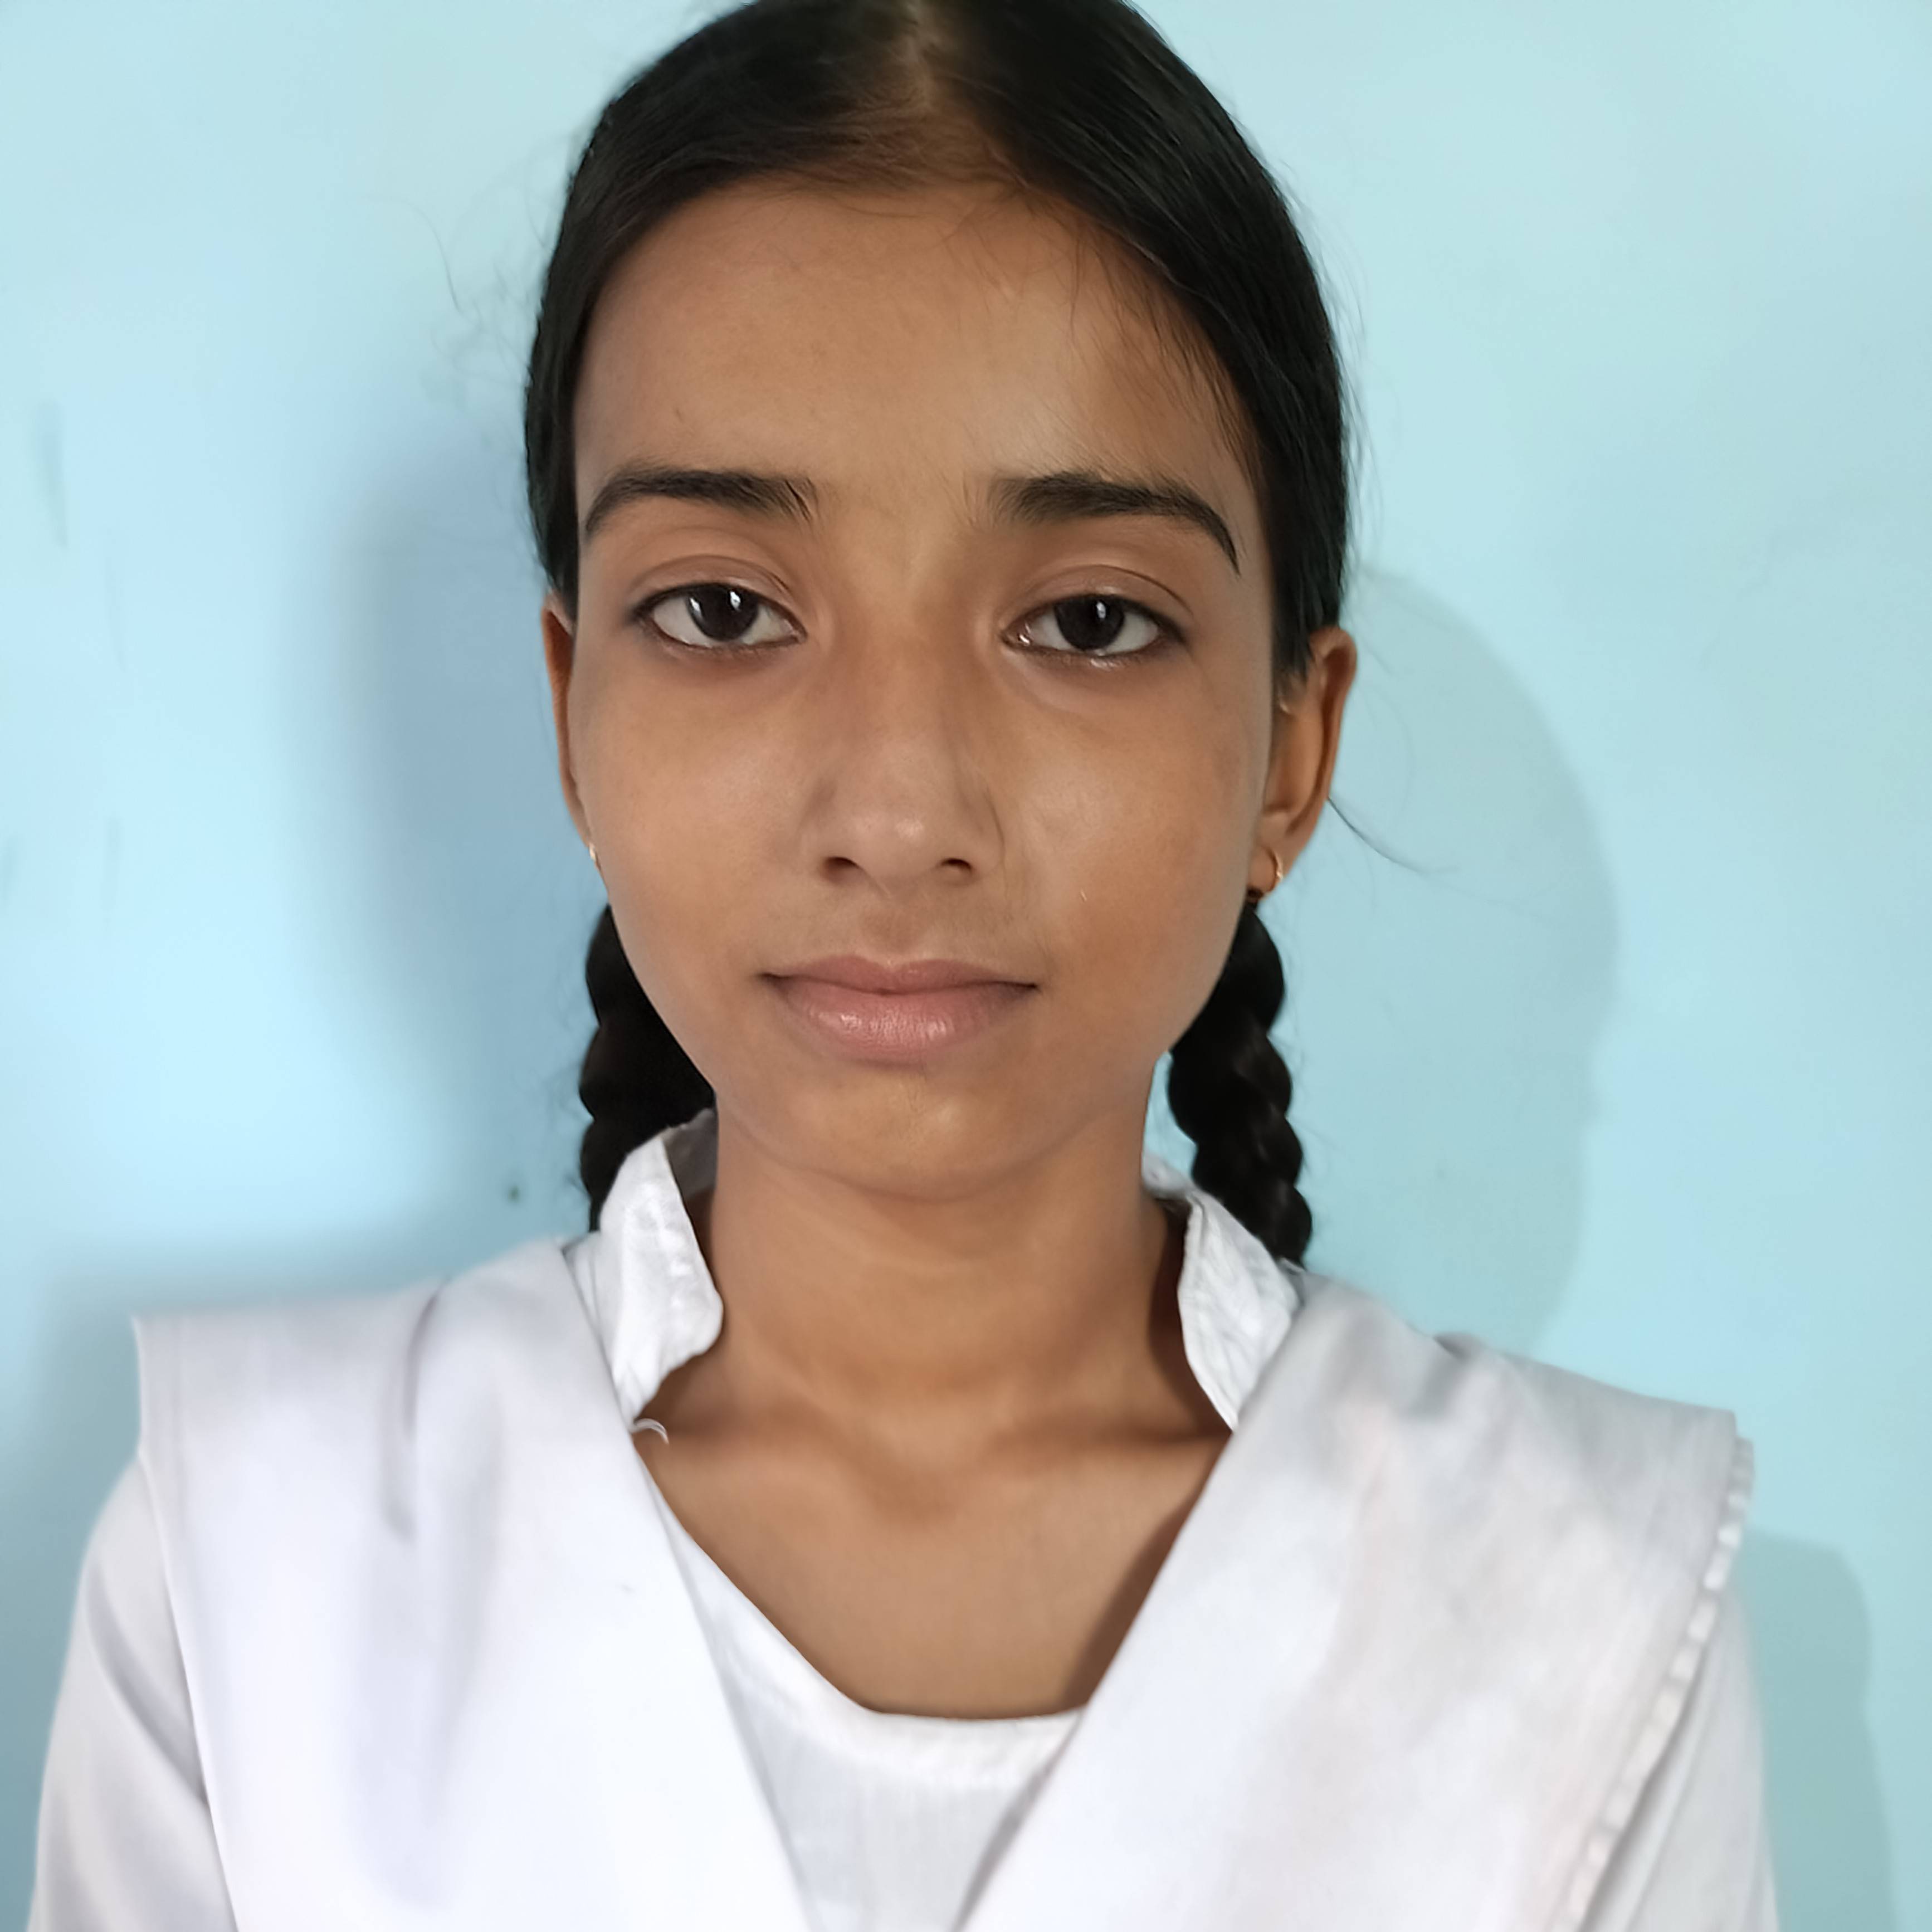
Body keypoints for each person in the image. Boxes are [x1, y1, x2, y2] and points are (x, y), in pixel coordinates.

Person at [29, 0, 1778, 1926]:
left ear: (1291, 748)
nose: (896, 809)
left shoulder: (1586, 1600)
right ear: (571, 716)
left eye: (1088, 622)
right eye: (722, 608)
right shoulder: (244, 1558)